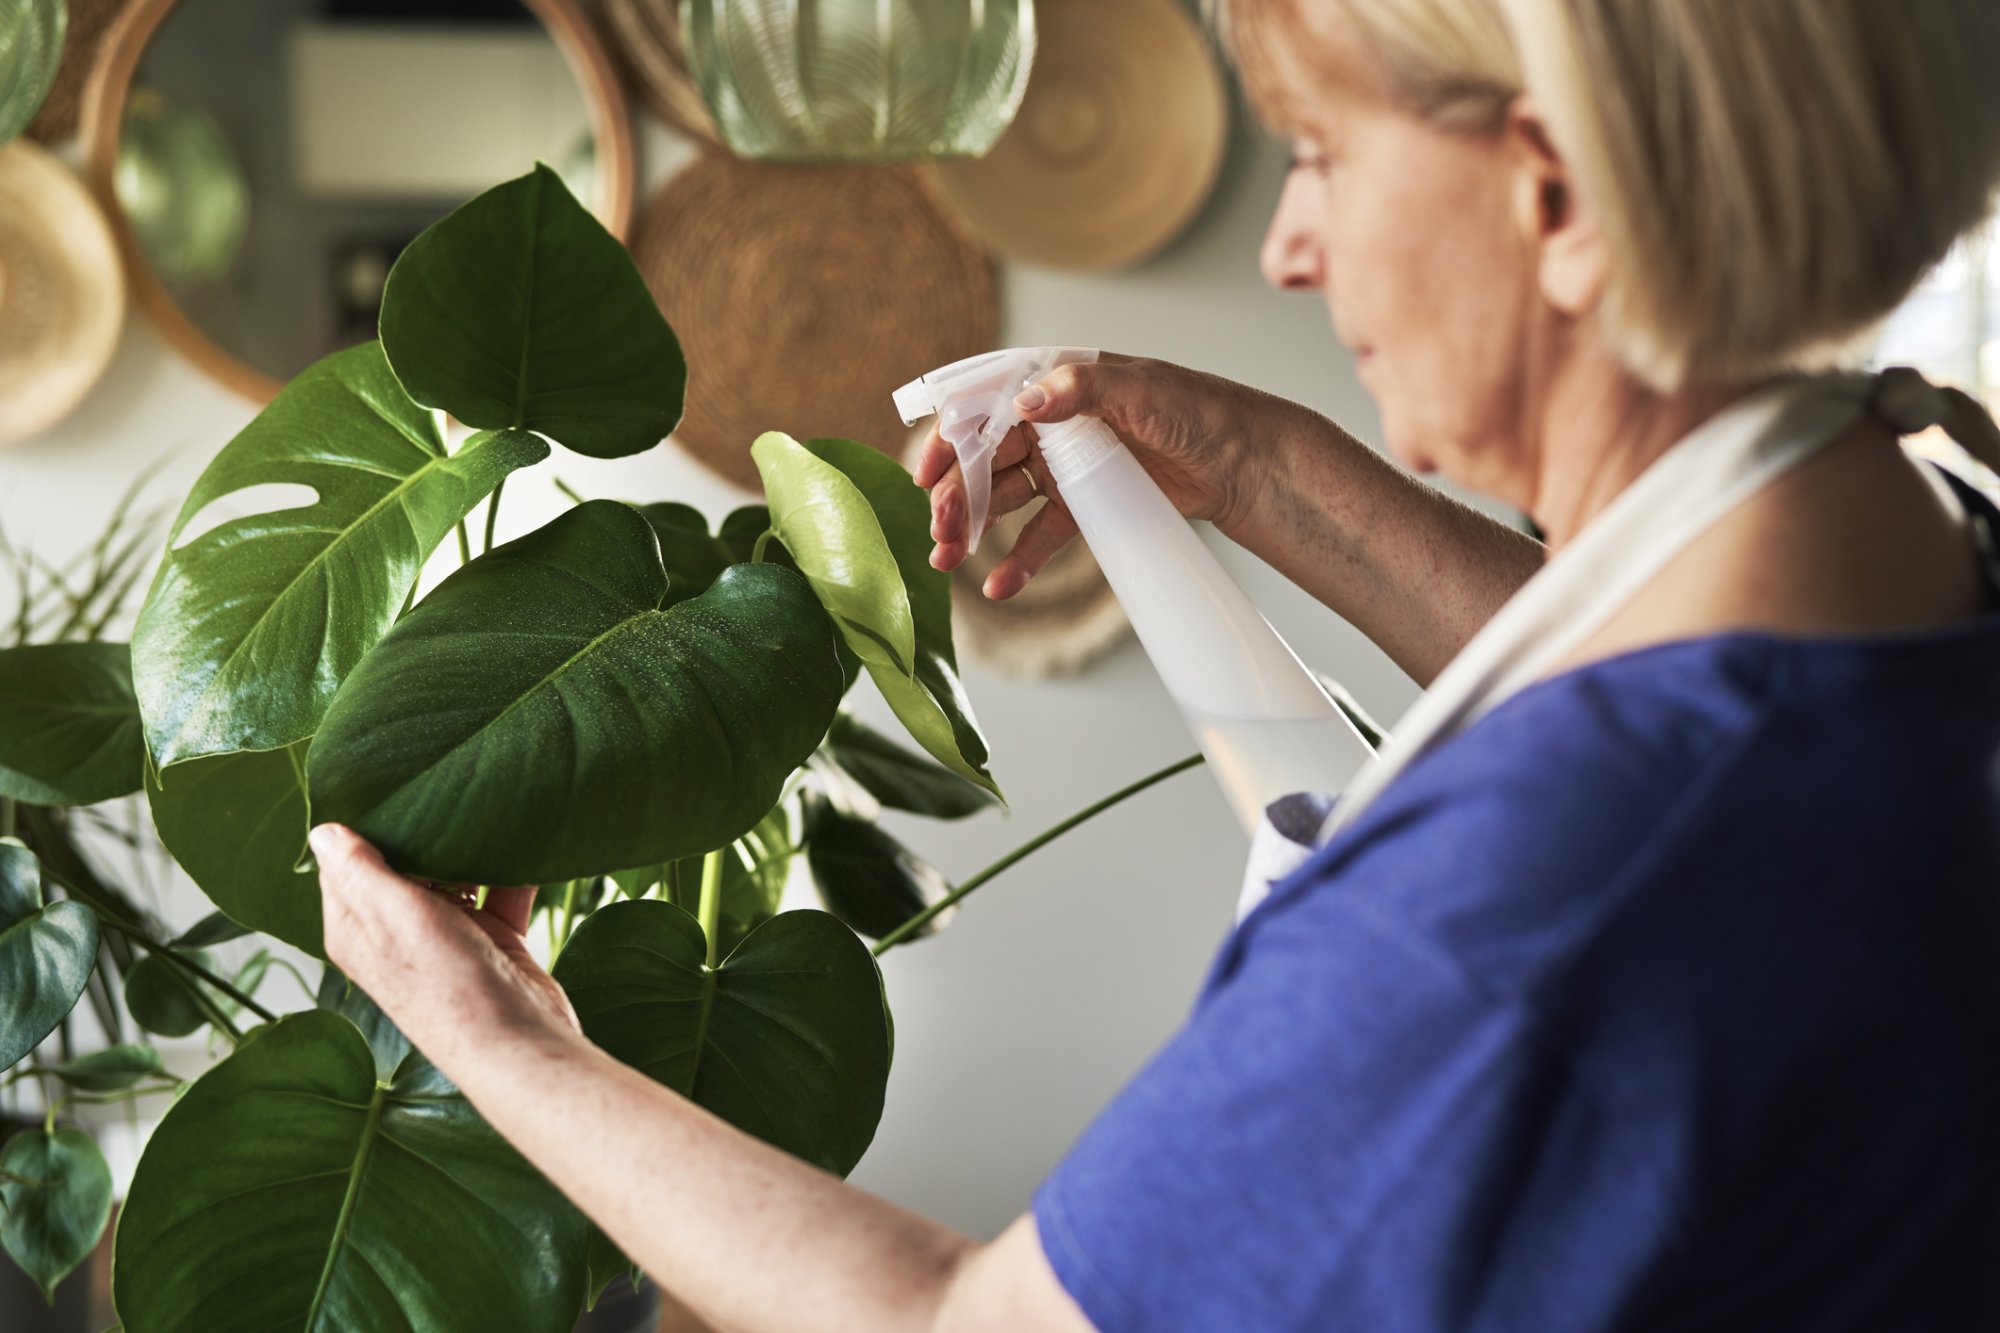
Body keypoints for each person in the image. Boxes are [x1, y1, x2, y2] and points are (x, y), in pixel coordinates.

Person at [312, 1, 2000, 1327]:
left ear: (1555, 194)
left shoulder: (1517, 919)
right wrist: (1258, 472)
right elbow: (1664, 697)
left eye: (1320, 154)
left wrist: (500, 1035)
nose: (1287, 244)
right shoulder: (1895, 543)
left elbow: (967, 1328)